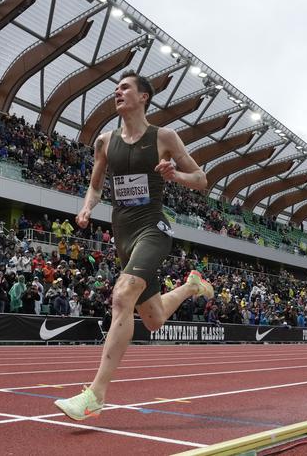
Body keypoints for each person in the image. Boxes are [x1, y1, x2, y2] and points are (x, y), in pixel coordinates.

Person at [54, 70, 214, 421]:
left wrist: (176, 176)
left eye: (125, 87)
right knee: (154, 319)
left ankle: (95, 394)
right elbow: (96, 186)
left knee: (122, 294)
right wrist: (86, 207)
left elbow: (202, 180)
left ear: (144, 97)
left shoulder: (164, 137)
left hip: (153, 228)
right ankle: (190, 286)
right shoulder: (104, 141)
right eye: (115, 88)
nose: (117, 92)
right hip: (122, 234)